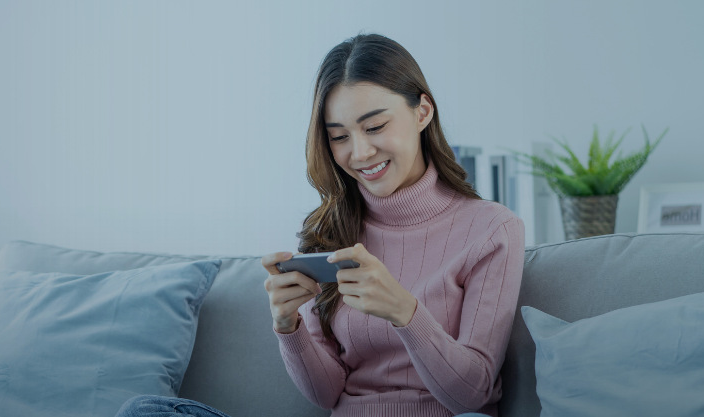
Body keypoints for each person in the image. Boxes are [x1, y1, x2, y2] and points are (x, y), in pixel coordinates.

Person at [116, 32, 524, 417]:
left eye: (375, 127)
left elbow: (471, 394)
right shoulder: (329, 232)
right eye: (339, 136)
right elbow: (327, 393)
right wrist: (288, 327)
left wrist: (404, 311)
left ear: (422, 112)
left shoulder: (490, 229)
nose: (360, 152)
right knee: (143, 412)